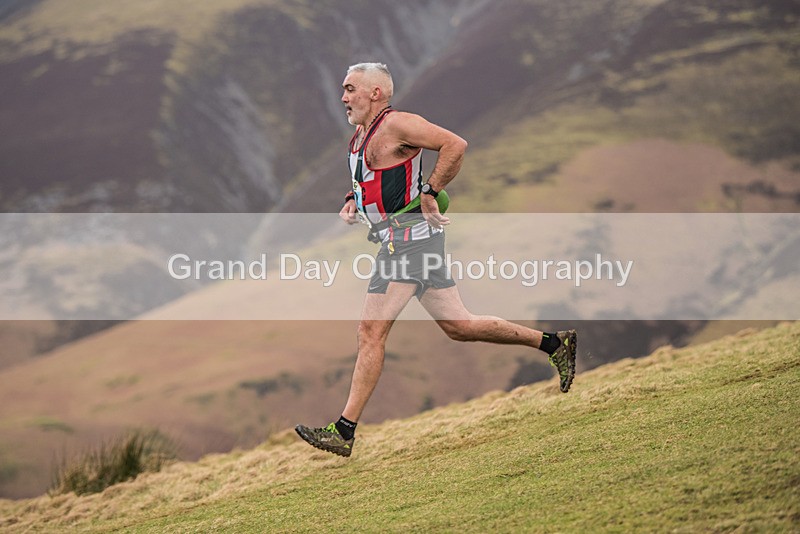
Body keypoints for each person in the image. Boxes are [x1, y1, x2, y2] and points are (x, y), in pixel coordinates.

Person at [295, 62, 576, 457]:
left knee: (370, 332)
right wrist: (349, 202)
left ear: (376, 92)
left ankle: (343, 431)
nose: (343, 97)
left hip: (410, 242)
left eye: (350, 88)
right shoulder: (360, 136)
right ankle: (555, 344)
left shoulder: (399, 124)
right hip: (404, 241)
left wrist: (431, 190)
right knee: (460, 326)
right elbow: (364, 178)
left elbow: (455, 144)